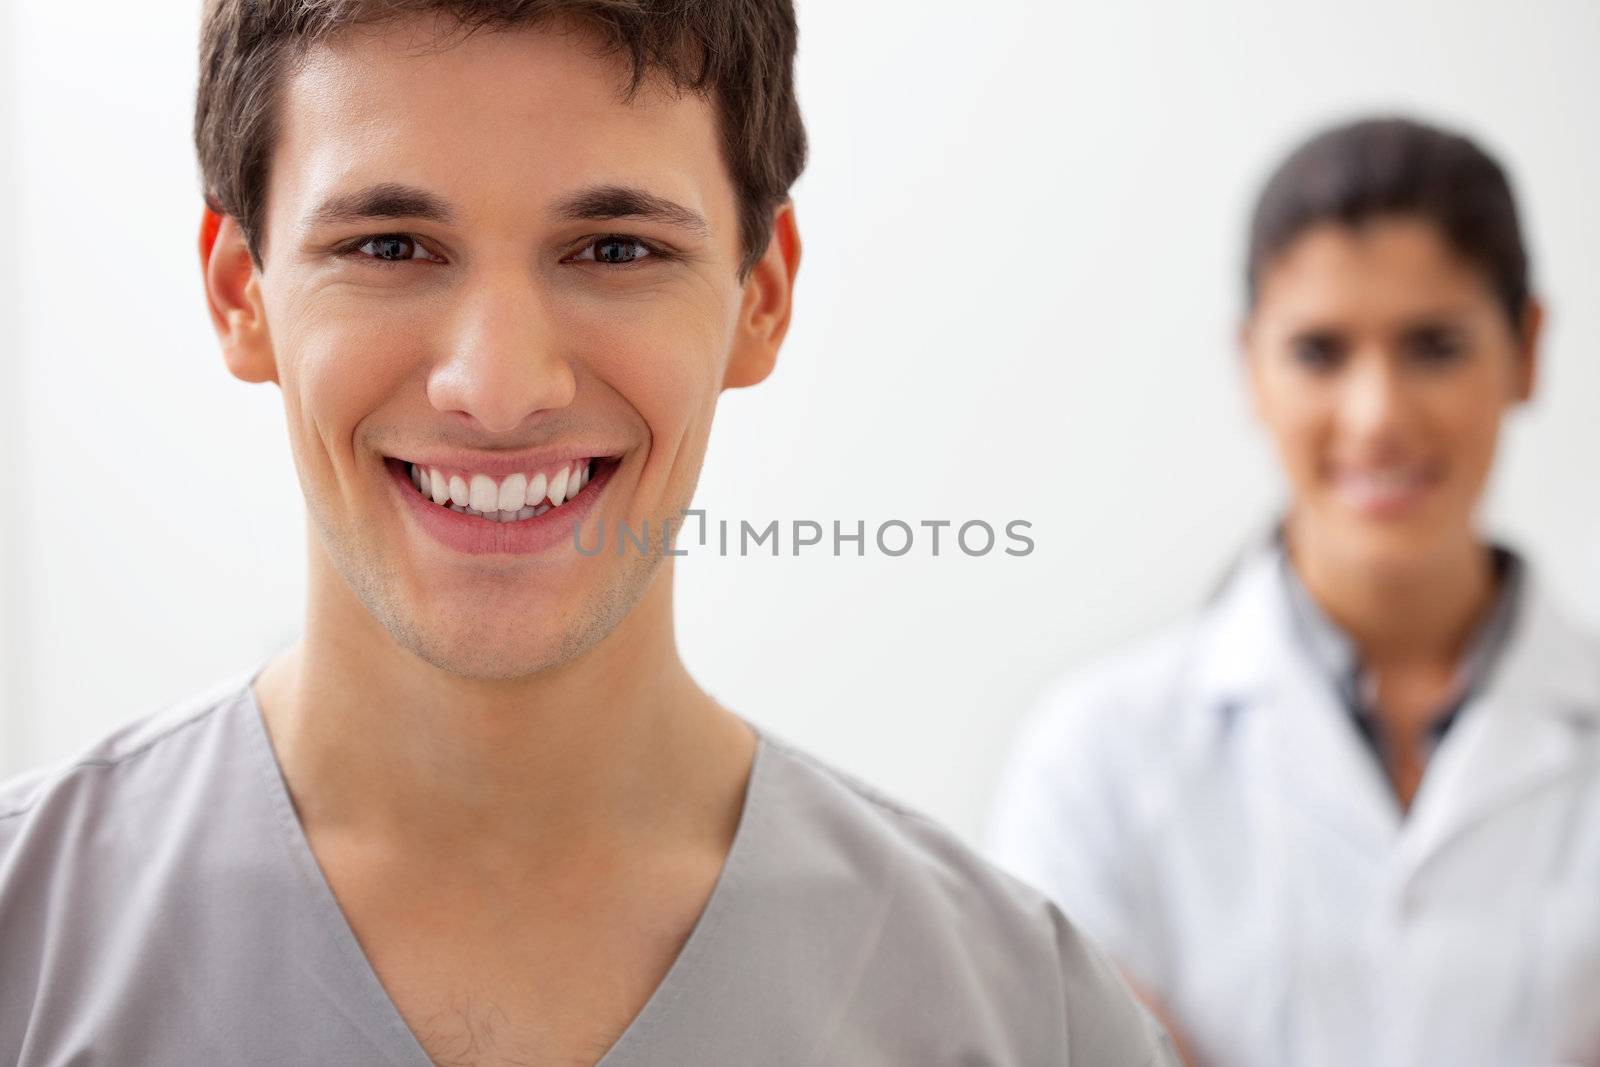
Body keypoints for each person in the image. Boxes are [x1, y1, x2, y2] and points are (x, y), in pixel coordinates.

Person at [0, 2, 1178, 1064]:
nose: (500, 386)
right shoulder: (24, 943)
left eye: (616, 250)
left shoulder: (1028, 1018)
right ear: (238, 294)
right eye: (389, 246)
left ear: (759, 297)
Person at [986, 116, 1600, 1067]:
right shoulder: (1098, 758)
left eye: (1434, 345)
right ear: (1252, 366)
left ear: (1526, 348)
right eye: (1320, 352)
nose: (1378, 414)